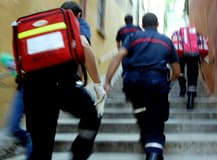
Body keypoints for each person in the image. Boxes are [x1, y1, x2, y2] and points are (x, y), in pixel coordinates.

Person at [20, 4, 106, 160]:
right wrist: (98, 84)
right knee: (92, 116)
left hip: (32, 87)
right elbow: (84, 45)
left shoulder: (45, 25)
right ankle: (78, 154)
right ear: (78, 15)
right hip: (62, 83)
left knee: (41, 147)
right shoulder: (76, 21)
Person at [104, 13, 180, 160]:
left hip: (134, 84)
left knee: (142, 114)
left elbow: (118, 57)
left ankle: (148, 140)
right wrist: (169, 82)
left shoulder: (133, 38)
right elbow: (177, 71)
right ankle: (154, 152)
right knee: (157, 119)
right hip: (156, 83)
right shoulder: (166, 41)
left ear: (143, 25)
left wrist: (107, 81)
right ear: (157, 24)